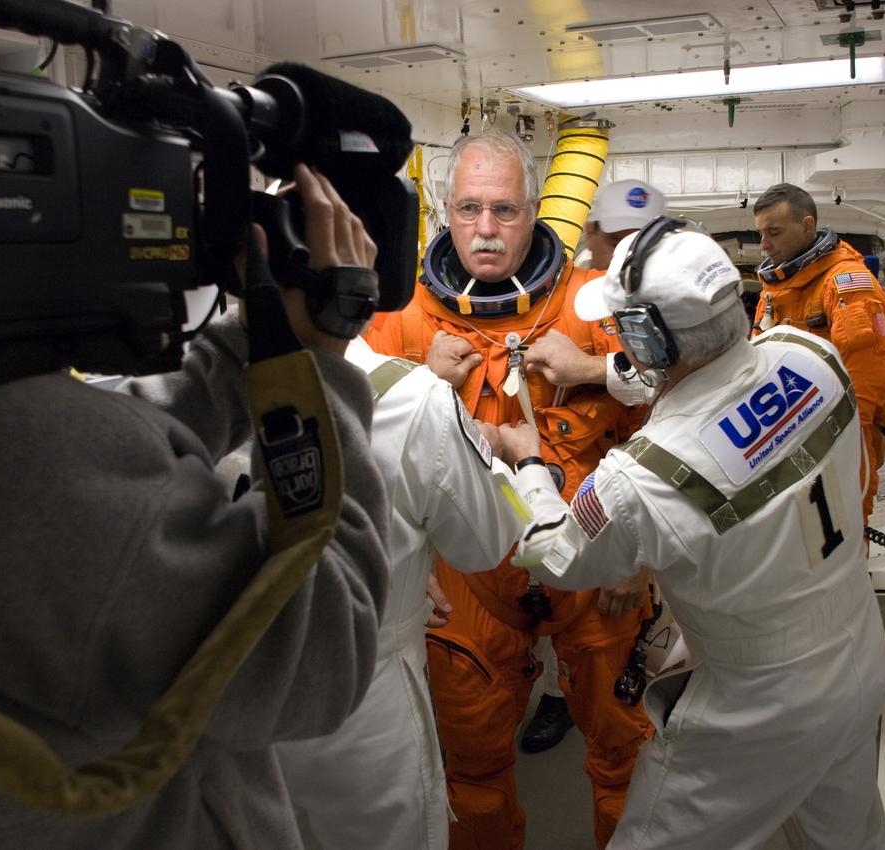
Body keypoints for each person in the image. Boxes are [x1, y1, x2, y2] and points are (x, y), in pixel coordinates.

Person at [0, 19, 391, 841]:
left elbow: (100, 460)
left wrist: (253, 344)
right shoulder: (0, 461)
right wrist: (320, 366)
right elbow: (323, 647)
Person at [502, 218, 885, 850]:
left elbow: (555, 555)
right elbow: (724, 376)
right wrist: (595, 369)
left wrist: (525, 465)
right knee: (851, 839)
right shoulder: (809, 353)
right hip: (858, 652)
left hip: (762, 705)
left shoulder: (643, 476)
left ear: (646, 338)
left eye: (619, 327)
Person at [365, 132, 654, 850]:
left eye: (505, 210)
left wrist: (642, 555)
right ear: (444, 209)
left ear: (535, 213)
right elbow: (360, 450)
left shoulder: (596, 304)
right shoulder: (398, 319)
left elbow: (672, 427)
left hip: (596, 560)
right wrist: (423, 380)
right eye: (468, 209)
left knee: (627, 759)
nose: (486, 230)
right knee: (473, 772)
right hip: (468, 581)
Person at [276, 335, 536, 850]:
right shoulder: (411, 397)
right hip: (360, 696)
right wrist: (506, 456)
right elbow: (486, 544)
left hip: (216, 694)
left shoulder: (153, 376)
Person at [522, 177, 665, 755]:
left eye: (645, 239)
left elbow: (666, 408)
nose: (633, 252)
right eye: (622, 237)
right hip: (554, 496)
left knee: (618, 671)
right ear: (594, 237)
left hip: (633, 521)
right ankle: (559, 698)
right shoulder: (565, 298)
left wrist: (640, 561)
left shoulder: (672, 309)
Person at [751, 182, 885, 522]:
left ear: (806, 226)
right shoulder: (775, 290)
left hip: (839, 436)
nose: (764, 245)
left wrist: (843, 444)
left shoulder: (846, 283)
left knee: (841, 528)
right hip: (786, 432)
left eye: (773, 232)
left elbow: (865, 375)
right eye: (760, 233)